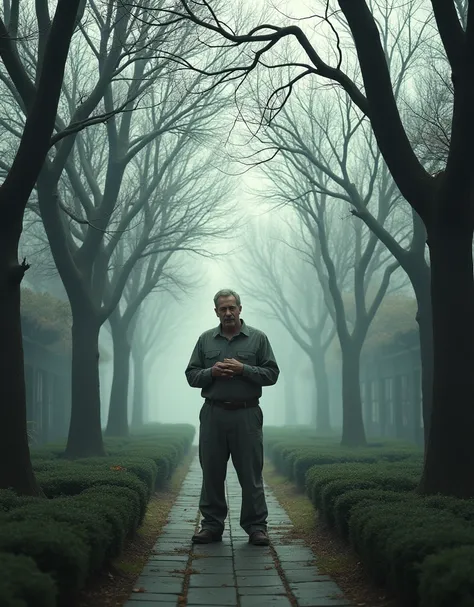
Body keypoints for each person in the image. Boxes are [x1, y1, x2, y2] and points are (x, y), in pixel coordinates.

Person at [185, 289, 280, 546]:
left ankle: (256, 527)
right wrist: (211, 372)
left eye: (232, 308)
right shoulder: (205, 340)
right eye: (222, 309)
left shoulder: (258, 339)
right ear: (215, 311)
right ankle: (212, 526)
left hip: (247, 414)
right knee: (212, 472)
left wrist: (243, 369)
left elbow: (272, 374)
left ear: (240, 308)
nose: (228, 313)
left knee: (250, 474)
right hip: (213, 413)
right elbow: (191, 375)